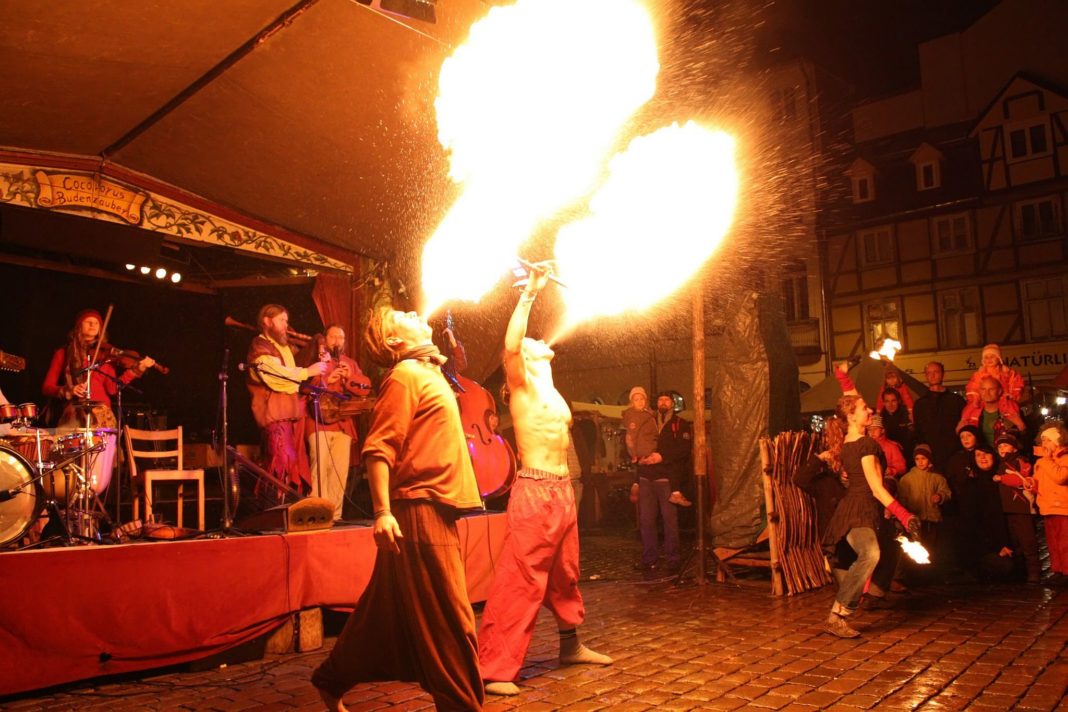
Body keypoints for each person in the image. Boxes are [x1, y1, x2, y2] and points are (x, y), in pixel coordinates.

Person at [311, 306, 485, 711]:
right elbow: (378, 447)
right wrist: (383, 512)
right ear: (393, 341)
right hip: (418, 510)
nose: (412, 310)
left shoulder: (426, 373)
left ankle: (330, 680)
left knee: (381, 617)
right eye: (400, 315)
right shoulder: (405, 376)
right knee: (451, 626)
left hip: (434, 509)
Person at [478, 262, 612, 697]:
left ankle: (571, 646)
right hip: (534, 491)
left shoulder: (553, 391)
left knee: (564, 574)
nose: (540, 340)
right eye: (533, 342)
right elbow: (511, 344)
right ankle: (495, 668)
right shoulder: (522, 386)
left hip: (561, 491)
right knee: (522, 577)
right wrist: (530, 294)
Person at [821, 393, 918, 638]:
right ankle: (838, 615)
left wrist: (844, 378)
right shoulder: (866, 445)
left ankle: (871, 592)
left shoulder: (847, 441)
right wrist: (905, 515)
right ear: (852, 416)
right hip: (860, 509)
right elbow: (876, 488)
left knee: (890, 544)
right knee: (870, 552)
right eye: (864, 408)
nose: (871, 411)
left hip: (854, 508)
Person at [246, 304, 328, 503]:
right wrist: (308, 371)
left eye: (286, 320)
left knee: (292, 465)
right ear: (267, 321)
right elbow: (276, 377)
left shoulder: (283, 348)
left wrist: (317, 358)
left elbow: (294, 380)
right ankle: (272, 515)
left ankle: (285, 513)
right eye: (281, 320)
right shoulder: (260, 346)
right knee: (279, 464)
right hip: (274, 416)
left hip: (289, 415)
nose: (286, 325)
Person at [41, 309, 155, 428]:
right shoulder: (63, 353)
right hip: (73, 414)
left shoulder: (105, 354)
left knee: (108, 445)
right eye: (88, 322)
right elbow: (47, 387)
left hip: (102, 415)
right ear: (78, 326)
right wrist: (69, 390)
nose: (93, 325)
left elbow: (112, 389)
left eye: (96, 323)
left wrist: (136, 370)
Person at [304, 325, 372, 521]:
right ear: (325, 339)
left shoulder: (350, 363)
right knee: (319, 470)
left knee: (339, 471)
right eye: (333, 336)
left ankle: (335, 515)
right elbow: (303, 387)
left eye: (341, 337)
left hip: (343, 424)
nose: (337, 341)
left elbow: (365, 389)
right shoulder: (315, 359)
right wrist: (326, 380)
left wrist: (350, 377)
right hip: (319, 423)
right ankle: (318, 514)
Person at [632, 392, 693, 576]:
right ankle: (649, 558)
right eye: (660, 399)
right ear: (656, 403)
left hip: (666, 479)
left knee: (669, 521)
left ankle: (673, 559)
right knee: (647, 521)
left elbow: (683, 450)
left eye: (667, 399)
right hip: (646, 477)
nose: (663, 402)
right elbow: (636, 441)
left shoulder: (680, 424)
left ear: (673, 404)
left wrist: (662, 456)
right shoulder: (647, 421)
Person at [991, 432, 1040, 583]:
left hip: (1022, 508)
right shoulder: (999, 464)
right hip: (1007, 509)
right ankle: (1020, 572)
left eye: (1005, 445)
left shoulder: (1020, 461)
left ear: (1013, 448)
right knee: (1015, 542)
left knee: (1028, 541)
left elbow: (1022, 479)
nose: (1002, 448)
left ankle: (1034, 572)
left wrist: (1002, 478)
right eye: (999, 446)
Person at [896, 444, 952, 572]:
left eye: (923, 458)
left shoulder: (938, 478)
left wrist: (940, 496)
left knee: (931, 548)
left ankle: (928, 574)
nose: (920, 462)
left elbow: (947, 492)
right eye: (917, 459)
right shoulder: (907, 479)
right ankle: (915, 574)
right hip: (915, 520)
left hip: (932, 518)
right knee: (916, 547)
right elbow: (902, 498)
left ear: (929, 459)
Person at [1031, 424, 1068, 585]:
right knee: (1053, 542)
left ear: (1057, 441)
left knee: (1065, 542)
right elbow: (1038, 480)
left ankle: (1066, 571)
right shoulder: (1043, 462)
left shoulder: (1065, 458)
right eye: (1042, 440)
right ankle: (1058, 570)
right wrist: (1030, 483)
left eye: (1047, 440)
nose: (1043, 444)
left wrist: (1046, 460)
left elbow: (1060, 476)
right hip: (1047, 507)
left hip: (1063, 507)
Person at [912, 361, 966, 473]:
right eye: (929, 373)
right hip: (932, 455)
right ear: (926, 376)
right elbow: (918, 430)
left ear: (943, 374)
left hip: (954, 453)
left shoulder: (957, 401)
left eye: (936, 372)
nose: (933, 375)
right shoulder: (920, 404)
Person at [960, 343, 1024, 427]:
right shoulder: (979, 374)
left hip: (1004, 399)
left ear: (999, 358)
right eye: (986, 357)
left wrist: (1013, 394)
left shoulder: (1007, 372)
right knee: (971, 411)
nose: (989, 359)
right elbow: (973, 386)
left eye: (992, 357)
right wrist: (975, 398)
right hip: (982, 401)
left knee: (1011, 412)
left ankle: (1014, 427)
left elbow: (1016, 382)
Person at [957, 375, 1026, 447]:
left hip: (1006, 455)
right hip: (982, 455)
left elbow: (1025, 439)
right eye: (983, 389)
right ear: (979, 391)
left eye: (991, 389)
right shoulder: (971, 412)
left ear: (999, 391)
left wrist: (1022, 427)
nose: (987, 393)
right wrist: (959, 430)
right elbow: (964, 437)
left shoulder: (1011, 410)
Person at [867, 415, 906, 479]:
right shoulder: (865, 446)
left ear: (882, 430)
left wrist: (891, 470)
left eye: (875, 429)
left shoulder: (892, 446)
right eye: (869, 429)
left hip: (886, 479)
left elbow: (902, 467)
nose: (872, 432)